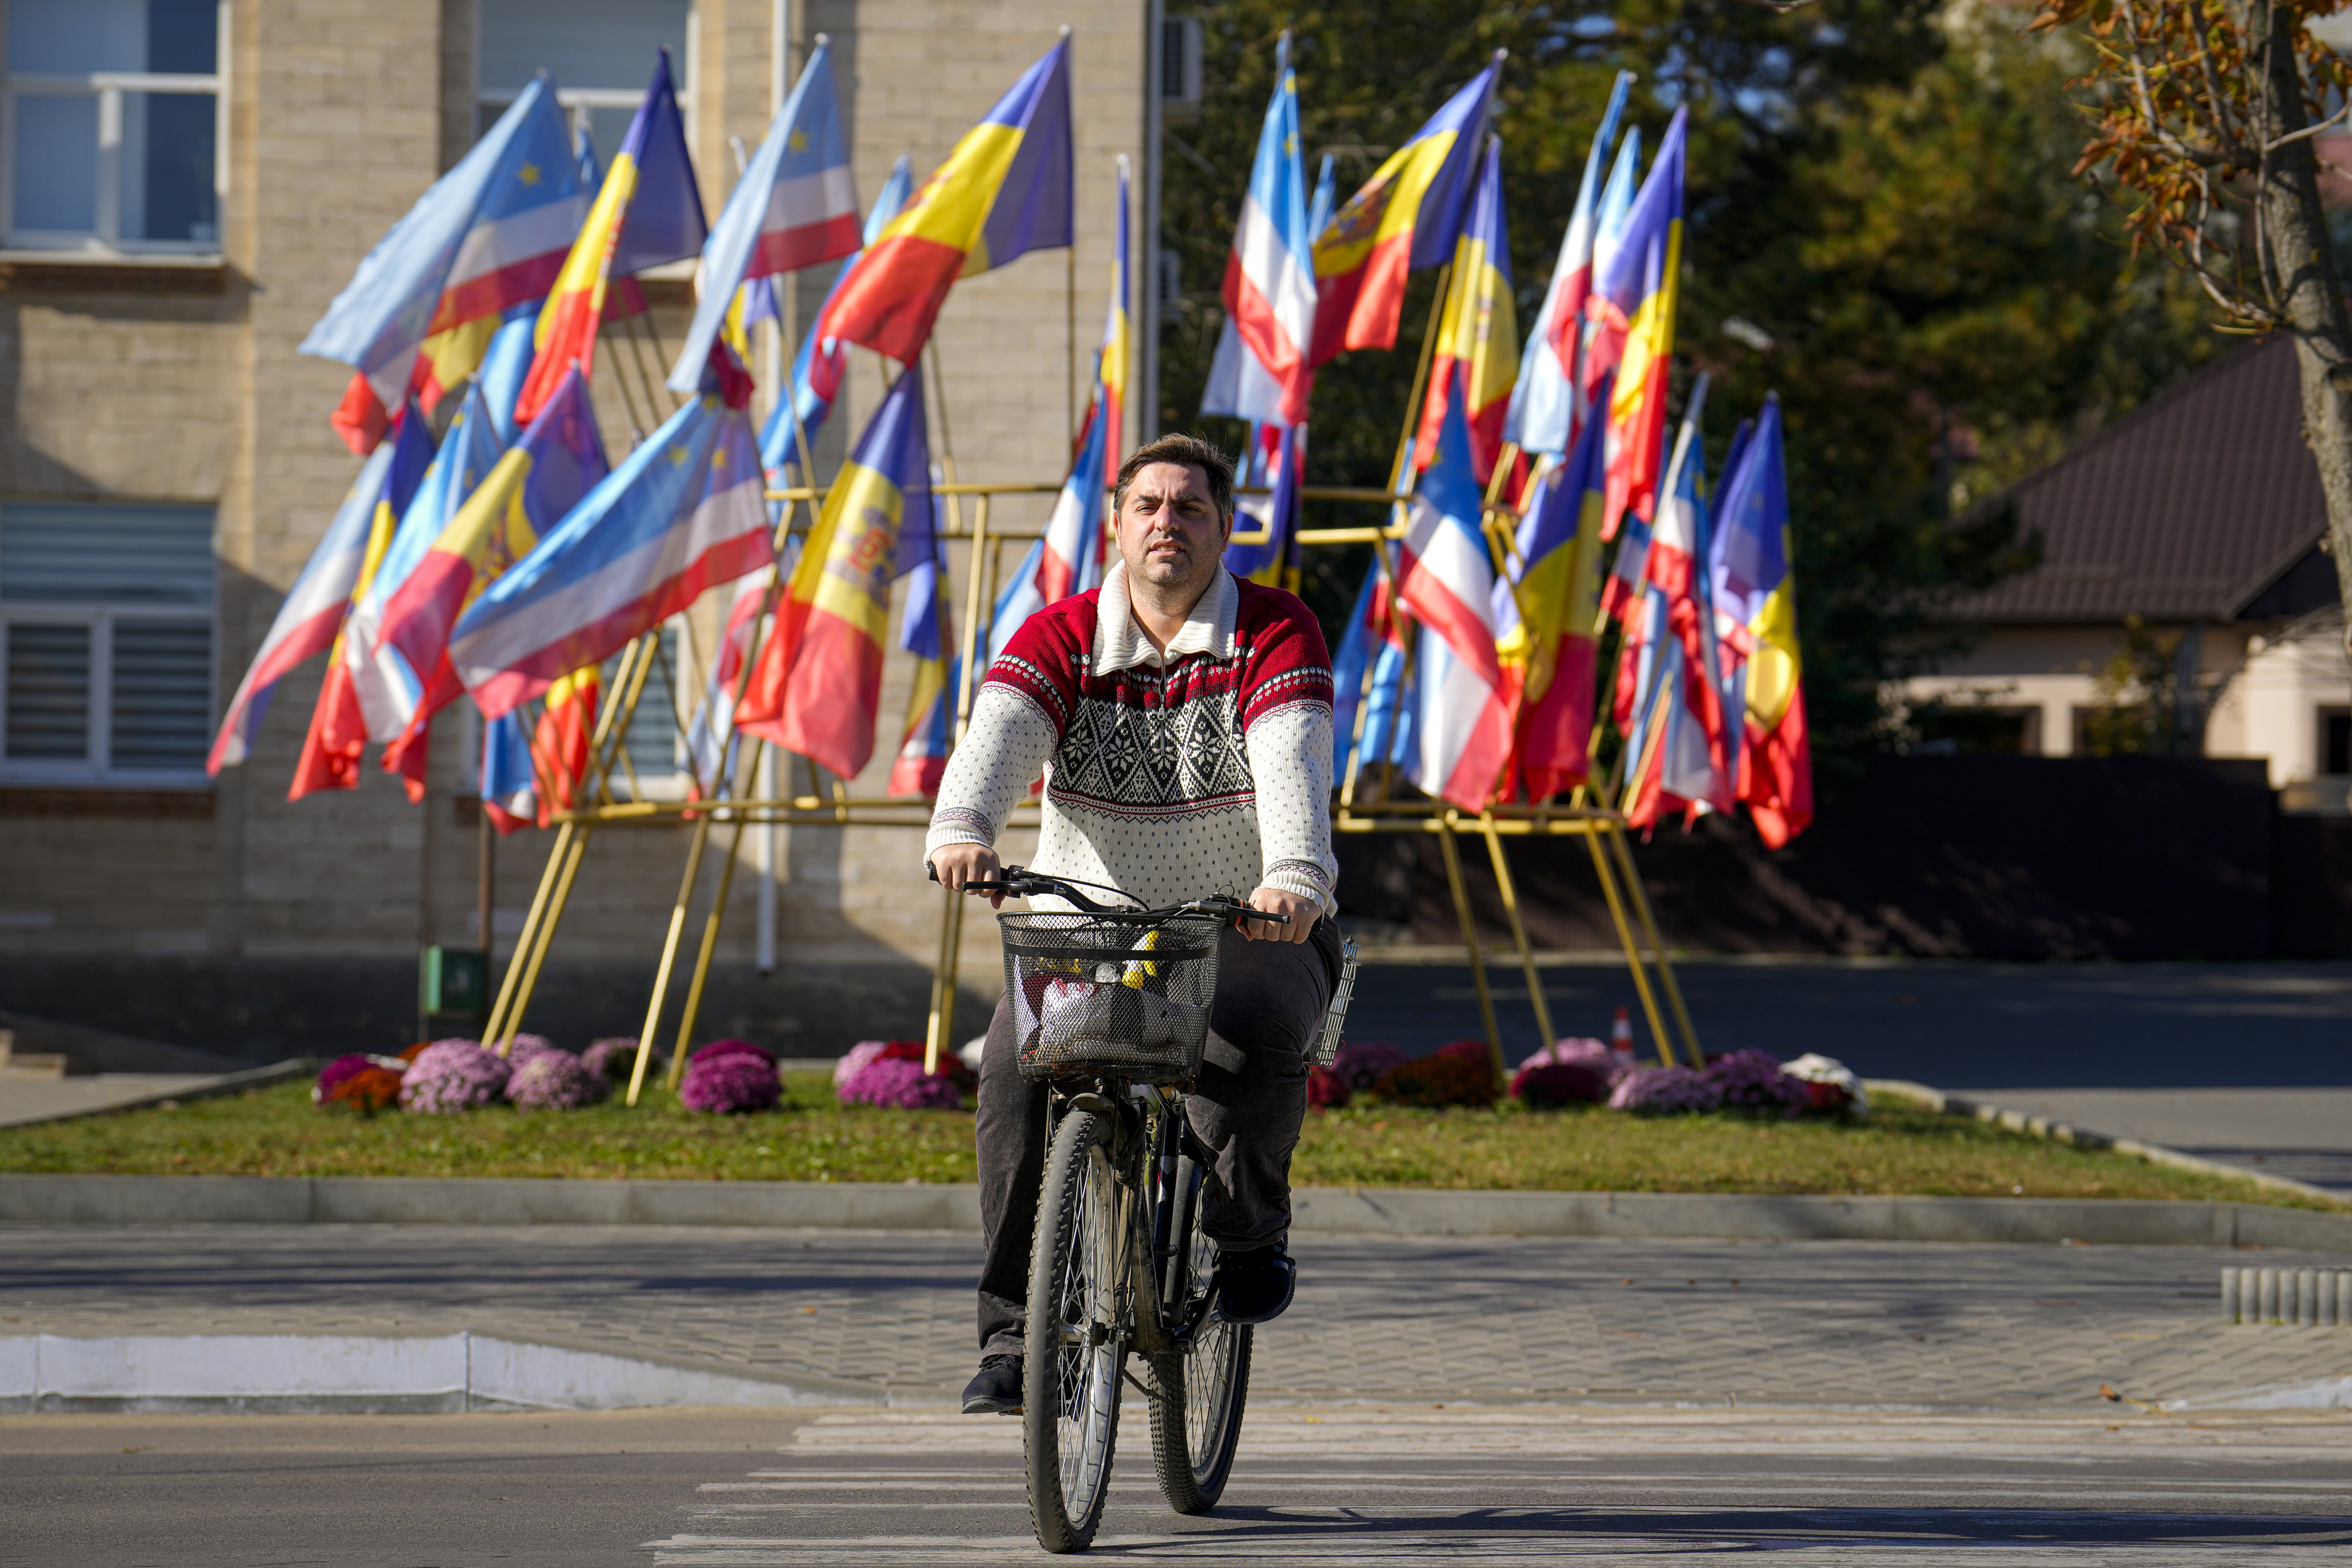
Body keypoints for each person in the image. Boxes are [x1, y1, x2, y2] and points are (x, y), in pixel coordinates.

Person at [927, 432, 1343, 1417]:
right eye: (1148, 506)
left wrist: (1291, 877)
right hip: (1089, 926)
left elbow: (1293, 763)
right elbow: (995, 742)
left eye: (1190, 507)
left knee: (1251, 1046)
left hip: (1246, 920)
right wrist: (960, 829)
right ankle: (1015, 1340)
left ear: (1223, 525)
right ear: (1116, 524)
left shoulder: (1274, 632)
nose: (1168, 523)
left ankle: (1244, 1234)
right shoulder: (1061, 635)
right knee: (1011, 1078)